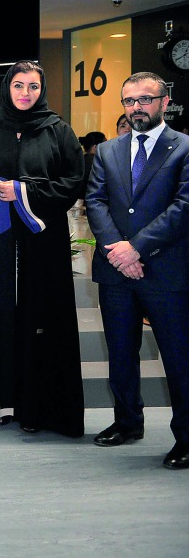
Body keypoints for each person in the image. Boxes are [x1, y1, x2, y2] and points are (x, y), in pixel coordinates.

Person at [0, 60, 84, 437]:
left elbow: (73, 182)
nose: (25, 93)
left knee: (43, 316)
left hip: (44, 241)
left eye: (33, 87)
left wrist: (22, 191)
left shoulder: (58, 131)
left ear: (43, 89)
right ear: (7, 88)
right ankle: (0, 403)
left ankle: (43, 410)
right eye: (18, 86)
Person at [85, 72, 189, 471]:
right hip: (116, 272)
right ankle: (127, 422)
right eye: (129, 101)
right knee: (121, 354)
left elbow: (183, 207)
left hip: (166, 271)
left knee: (178, 358)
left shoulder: (183, 148)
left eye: (145, 99)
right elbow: (95, 202)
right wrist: (119, 253)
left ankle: (186, 438)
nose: (136, 107)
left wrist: (137, 248)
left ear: (164, 102)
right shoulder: (109, 151)